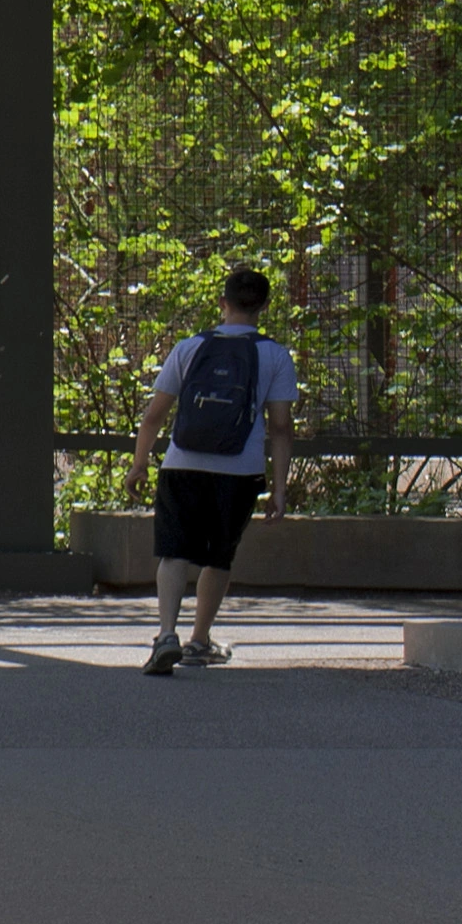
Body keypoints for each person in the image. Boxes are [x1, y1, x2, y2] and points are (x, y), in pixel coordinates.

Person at [130, 268, 304, 674]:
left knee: (174, 553)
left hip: (181, 464)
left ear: (222, 303)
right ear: (263, 306)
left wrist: (140, 464)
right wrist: (279, 488)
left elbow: (155, 414)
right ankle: (199, 641)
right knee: (218, 556)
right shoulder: (274, 355)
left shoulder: (189, 348)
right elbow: (280, 426)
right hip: (239, 471)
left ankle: (166, 635)